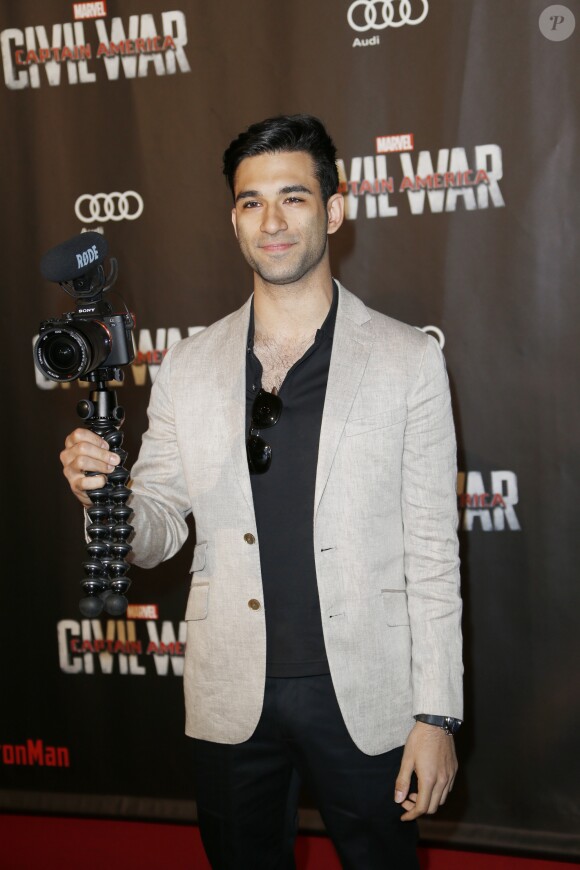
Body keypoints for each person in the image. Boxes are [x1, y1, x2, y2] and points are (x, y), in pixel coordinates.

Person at [60, 114, 463, 869]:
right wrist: (104, 493)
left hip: (366, 697)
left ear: (334, 210)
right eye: (251, 202)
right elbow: (156, 530)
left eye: (294, 198)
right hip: (230, 692)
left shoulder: (408, 362)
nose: (271, 221)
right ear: (234, 220)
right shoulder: (188, 365)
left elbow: (435, 554)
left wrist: (436, 714)